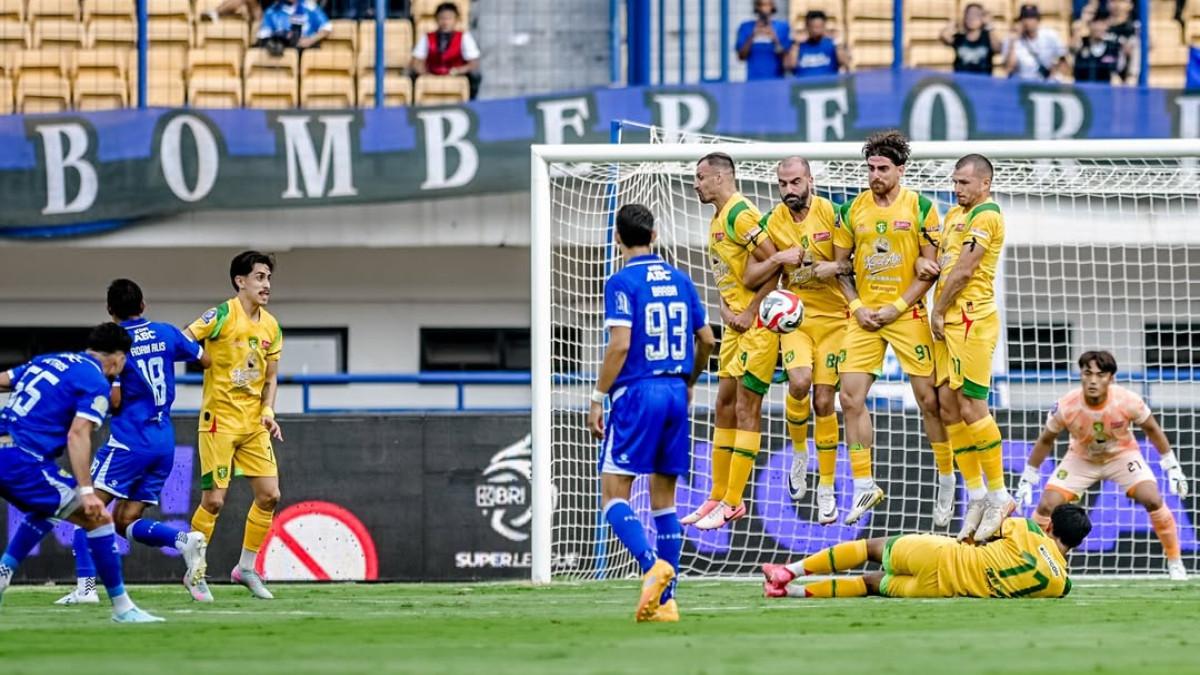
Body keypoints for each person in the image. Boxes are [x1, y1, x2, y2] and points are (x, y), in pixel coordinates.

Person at [587, 204, 717, 622]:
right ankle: (666, 601)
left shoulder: (622, 281)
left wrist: (597, 395)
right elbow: (709, 340)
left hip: (637, 392)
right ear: (655, 235)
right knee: (664, 500)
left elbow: (620, 344)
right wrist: (690, 381)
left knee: (613, 493)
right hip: (677, 392)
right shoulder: (681, 280)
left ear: (618, 239)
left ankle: (650, 566)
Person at [55, 280, 212, 607]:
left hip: (129, 440)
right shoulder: (167, 333)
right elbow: (205, 359)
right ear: (143, 304)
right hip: (163, 441)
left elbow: (114, 400)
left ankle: (85, 588)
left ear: (111, 312)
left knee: (87, 509)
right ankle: (184, 541)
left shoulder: (116, 346)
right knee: (125, 520)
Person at [0, 323, 163, 622]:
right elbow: (78, 435)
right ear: (117, 358)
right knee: (98, 517)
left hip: (8, 451)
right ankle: (123, 609)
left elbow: (3, 380)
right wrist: (88, 491)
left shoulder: (49, 360)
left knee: (51, 506)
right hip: (21, 459)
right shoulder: (95, 380)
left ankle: (4, 572)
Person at [832, 130, 947, 526]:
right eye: (870, 168)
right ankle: (864, 484)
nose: (875, 175)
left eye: (882, 168)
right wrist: (857, 305)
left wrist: (897, 307)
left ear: (900, 169)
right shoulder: (850, 210)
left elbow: (930, 270)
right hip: (865, 316)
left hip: (907, 314)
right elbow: (841, 267)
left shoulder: (923, 208)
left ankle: (946, 480)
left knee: (929, 400)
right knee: (849, 398)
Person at [1015, 350, 1190, 581]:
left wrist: (1172, 467)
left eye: (1101, 374)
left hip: (1121, 455)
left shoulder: (1127, 401)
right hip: (1081, 458)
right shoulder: (1067, 405)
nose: (1093, 380)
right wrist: (1028, 477)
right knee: (1047, 504)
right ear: (1081, 376)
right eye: (1088, 373)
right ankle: (1034, 560)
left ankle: (1175, 561)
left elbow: (1152, 430)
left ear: (1111, 378)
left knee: (1152, 498)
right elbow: (1046, 439)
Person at [741, 157, 847, 521]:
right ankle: (800, 454)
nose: (789, 190)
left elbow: (852, 264)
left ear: (810, 181)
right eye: (783, 184)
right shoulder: (772, 222)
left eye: (795, 182)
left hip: (835, 320)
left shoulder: (833, 214)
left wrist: (831, 267)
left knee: (824, 402)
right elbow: (750, 274)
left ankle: (827, 487)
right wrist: (778, 260)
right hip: (796, 318)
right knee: (799, 384)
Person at [684, 152, 782, 531]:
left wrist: (750, 311)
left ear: (721, 178)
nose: (696, 183)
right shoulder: (717, 218)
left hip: (757, 329)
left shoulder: (742, 214)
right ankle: (717, 493)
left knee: (746, 407)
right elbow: (732, 274)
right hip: (735, 327)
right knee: (722, 403)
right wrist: (725, 308)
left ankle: (734, 501)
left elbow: (774, 264)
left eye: (701, 176)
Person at [184, 251, 284, 600]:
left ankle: (246, 568)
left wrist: (268, 412)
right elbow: (183, 339)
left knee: (270, 495)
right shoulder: (222, 314)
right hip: (219, 423)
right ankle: (194, 573)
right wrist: (201, 357)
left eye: (268, 277)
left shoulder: (271, 325)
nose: (266, 284)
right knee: (214, 502)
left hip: (253, 423)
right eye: (259, 277)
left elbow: (271, 377)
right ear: (240, 281)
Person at [761, 503, 1091, 599]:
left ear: (1050, 526)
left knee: (868, 548)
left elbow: (987, 529)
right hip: (940, 589)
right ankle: (789, 593)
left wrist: (1003, 510)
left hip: (941, 554)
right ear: (1075, 543)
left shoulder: (1030, 531)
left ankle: (789, 572)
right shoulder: (1062, 585)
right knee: (868, 584)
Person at [930, 154, 1012, 541]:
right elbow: (946, 264)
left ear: (985, 184)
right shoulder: (952, 217)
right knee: (948, 404)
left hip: (971, 320)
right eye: (955, 182)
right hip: (949, 324)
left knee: (971, 405)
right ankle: (976, 495)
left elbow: (964, 270)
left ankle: (999, 495)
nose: (957, 188)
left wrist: (938, 308)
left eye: (964, 182)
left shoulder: (987, 216)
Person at [412, 2, 482, 100]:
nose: (445, 22)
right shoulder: (427, 37)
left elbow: (474, 63)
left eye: (449, 18)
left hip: (455, 73)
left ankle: (472, 102)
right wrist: (424, 72)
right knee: (411, 74)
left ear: (456, 20)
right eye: (442, 18)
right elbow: (416, 61)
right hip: (432, 73)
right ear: (436, 19)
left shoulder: (464, 37)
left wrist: (459, 70)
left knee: (476, 75)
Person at [1005, 4, 1068, 81]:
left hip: (1045, 83)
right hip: (1023, 83)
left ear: (1038, 20)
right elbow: (1009, 68)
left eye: (1031, 17)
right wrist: (1014, 41)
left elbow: (1064, 61)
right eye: (1025, 17)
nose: (1027, 21)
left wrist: (1057, 73)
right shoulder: (1013, 39)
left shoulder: (1050, 35)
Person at [940, 3, 1003, 75]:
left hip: (983, 83)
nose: (972, 18)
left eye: (976, 15)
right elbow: (944, 37)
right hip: (962, 82)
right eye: (969, 14)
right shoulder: (959, 38)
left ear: (982, 18)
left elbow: (998, 49)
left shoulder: (987, 37)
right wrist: (951, 25)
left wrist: (990, 26)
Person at [735, 0, 791, 80]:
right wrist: (753, 35)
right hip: (754, 80)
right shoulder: (746, 27)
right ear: (756, 7)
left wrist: (774, 38)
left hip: (776, 80)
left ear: (772, 6)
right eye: (761, 5)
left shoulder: (782, 27)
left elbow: (786, 58)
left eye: (767, 5)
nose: (764, 9)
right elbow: (741, 57)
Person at [789, 10, 849, 78]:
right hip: (804, 86)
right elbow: (791, 66)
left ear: (824, 26)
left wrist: (838, 42)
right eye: (814, 27)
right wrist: (795, 44)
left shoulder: (832, 44)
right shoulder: (799, 46)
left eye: (820, 27)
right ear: (807, 27)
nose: (816, 30)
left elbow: (844, 63)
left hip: (828, 86)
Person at [1072, 11, 1126, 83]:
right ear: (1089, 25)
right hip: (1083, 88)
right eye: (1096, 23)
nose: (1099, 27)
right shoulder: (1080, 44)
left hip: (1106, 90)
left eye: (1102, 23)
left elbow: (1119, 72)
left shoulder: (1113, 47)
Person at [256, 0, 331, 51]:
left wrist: (310, 40)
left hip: (304, 50)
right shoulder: (272, 11)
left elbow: (327, 28)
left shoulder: (309, 7)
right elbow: (263, 35)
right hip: (282, 55)